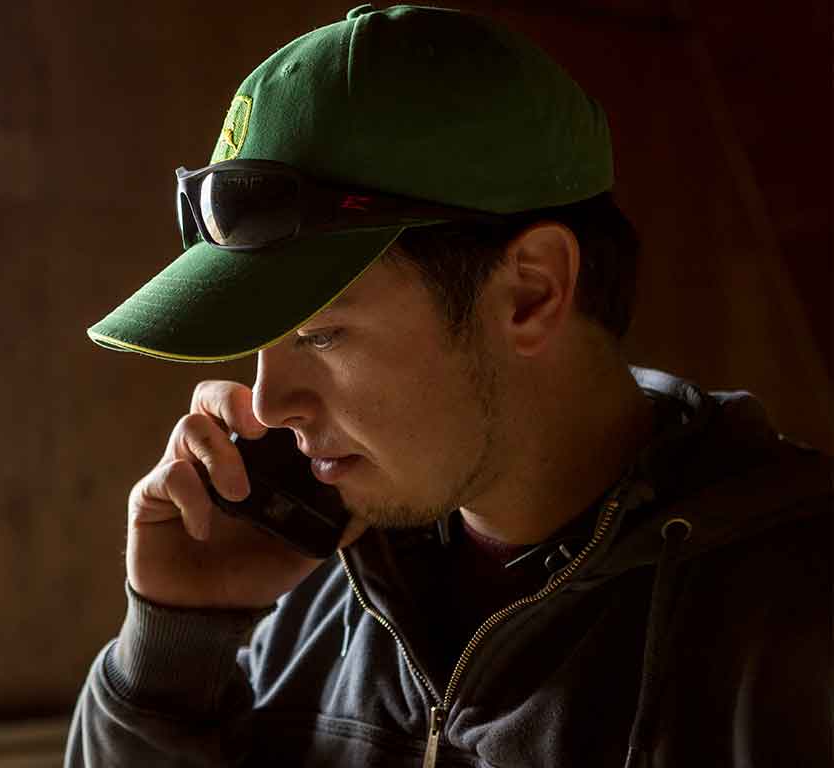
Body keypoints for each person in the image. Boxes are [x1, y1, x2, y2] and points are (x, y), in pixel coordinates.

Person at [67, 5, 831, 767]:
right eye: (261, 347)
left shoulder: (796, 631)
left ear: (530, 290)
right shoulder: (319, 591)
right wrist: (172, 649)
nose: (266, 406)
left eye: (320, 334)